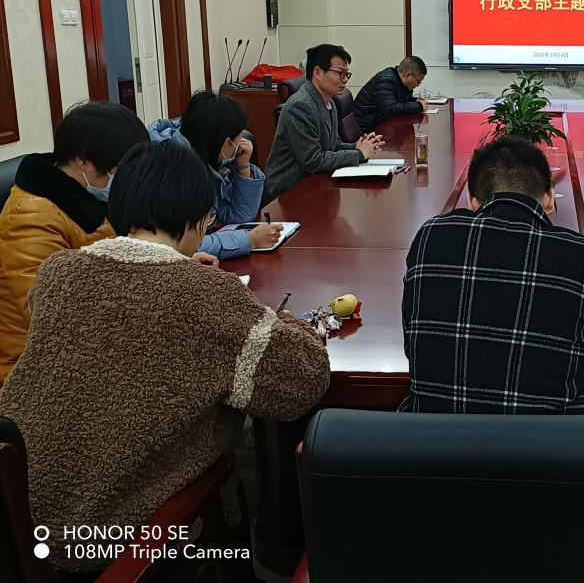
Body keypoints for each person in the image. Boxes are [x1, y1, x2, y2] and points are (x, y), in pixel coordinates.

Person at [0, 140, 330, 574]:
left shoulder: (58, 272)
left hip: (20, 519)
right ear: (197, 217)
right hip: (112, 546)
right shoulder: (203, 294)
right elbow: (301, 382)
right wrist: (278, 319)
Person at [400, 136, 584, 413]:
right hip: (554, 441)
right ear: (549, 199)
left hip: (435, 439)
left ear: (472, 201)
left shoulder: (431, 238)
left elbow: (415, 346)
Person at [0, 101, 148, 383]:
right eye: (117, 170)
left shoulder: (86, 198)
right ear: (84, 160)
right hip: (34, 369)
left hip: (89, 347)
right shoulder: (30, 218)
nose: (121, 180)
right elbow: (53, 316)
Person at [149, 91, 282, 259]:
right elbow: (181, 245)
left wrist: (243, 168)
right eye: (238, 140)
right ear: (226, 143)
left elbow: (236, 215)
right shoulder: (172, 170)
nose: (240, 146)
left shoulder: (206, 158)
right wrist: (249, 240)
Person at [264, 44, 385, 203]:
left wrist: (358, 146)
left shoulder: (329, 102)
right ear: (317, 72)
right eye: (340, 73)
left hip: (313, 184)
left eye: (347, 74)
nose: (345, 79)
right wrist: (359, 154)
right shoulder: (300, 106)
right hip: (288, 193)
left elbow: (333, 145)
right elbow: (313, 161)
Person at [354, 55, 429, 132]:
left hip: (381, 123)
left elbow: (402, 99)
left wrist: (415, 100)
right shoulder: (385, 80)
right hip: (367, 127)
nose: (418, 85)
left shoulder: (400, 81)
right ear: (408, 75)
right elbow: (390, 108)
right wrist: (419, 106)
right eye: (418, 81)